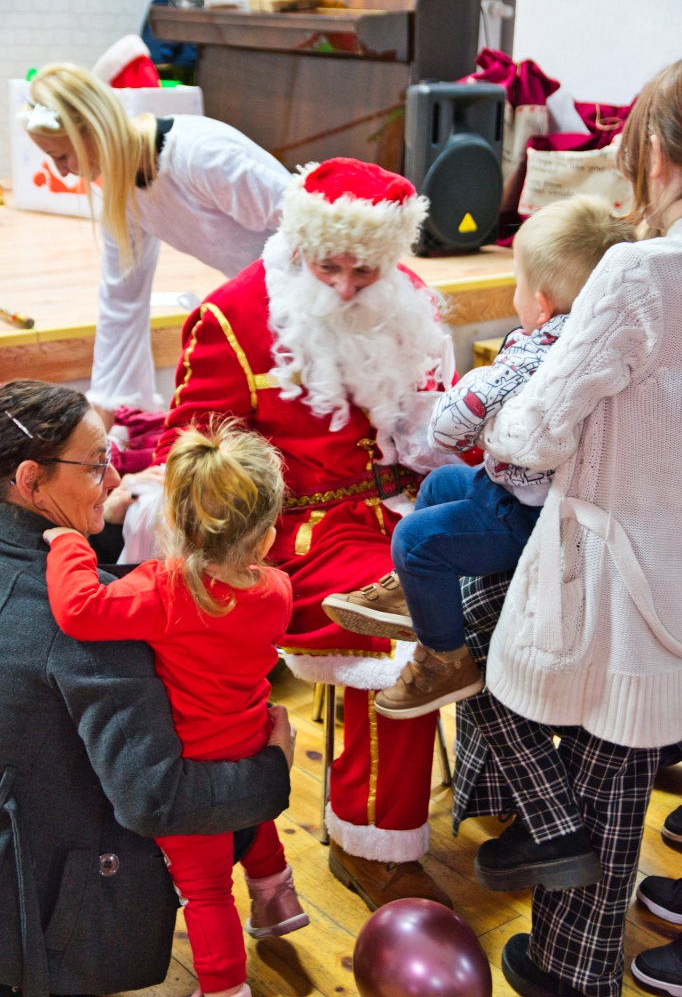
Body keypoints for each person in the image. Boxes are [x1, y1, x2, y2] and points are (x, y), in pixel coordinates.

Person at [124, 157, 463, 910]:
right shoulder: (234, 317)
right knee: (404, 623)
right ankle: (371, 841)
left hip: (406, 512)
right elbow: (189, 455)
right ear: (301, 243)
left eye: (364, 271)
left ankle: (501, 792)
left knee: (515, 580)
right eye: (329, 266)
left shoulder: (407, 299)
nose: (344, 286)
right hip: (290, 537)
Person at [461, 58, 682, 997]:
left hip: (615, 560)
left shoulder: (642, 270)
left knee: (468, 617)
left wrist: (494, 408)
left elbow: (537, 430)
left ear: (657, 153)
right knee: (625, 762)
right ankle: (579, 966)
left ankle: (556, 880)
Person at [0, 379, 294, 997]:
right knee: (216, 871)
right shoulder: (274, 589)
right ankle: (262, 917)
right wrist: (274, 770)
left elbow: (95, 595)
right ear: (30, 480)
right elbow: (154, 801)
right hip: (54, 914)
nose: (113, 479)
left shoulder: (140, 592)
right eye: (96, 463)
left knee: (208, 875)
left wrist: (81, 541)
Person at [323, 196, 635, 719]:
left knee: (414, 538)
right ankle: (411, 594)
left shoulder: (532, 356)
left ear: (540, 305)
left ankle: (446, 659)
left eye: (516, 285)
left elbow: (446, 430)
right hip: (527, 491)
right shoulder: (611, 341)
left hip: (532, 520)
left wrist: (476, 386)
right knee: (439, 486)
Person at [19, 63, 290, 420]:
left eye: (61, 157)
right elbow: (121, 300)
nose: (62, 172)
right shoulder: (123, 193)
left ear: (95, 130)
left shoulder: (200, 156)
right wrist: (108, 408)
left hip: (316, 291)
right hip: (270, 302)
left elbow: (309, 222)